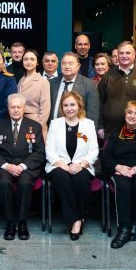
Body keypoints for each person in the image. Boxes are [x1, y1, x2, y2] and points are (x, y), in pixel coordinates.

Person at [101, 101, 136, 248]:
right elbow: (106, 158)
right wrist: (118, 167)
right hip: (122, 169)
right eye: (130, 112)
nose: (132, 116)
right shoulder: (116, 133)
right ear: (125, 113)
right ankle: (124, 229)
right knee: (123, 185)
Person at [0, 94, 45, 240]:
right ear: (8, 108)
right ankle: (9, 222)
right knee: (3, 182)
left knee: (25, 183)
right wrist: (7, 166)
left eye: (18, 107)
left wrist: (22, 166)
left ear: (24, 108)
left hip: (26, 167)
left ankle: (22, 222)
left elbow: (39, 152)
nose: (15, 110)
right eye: (12, 107)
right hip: (4, 166)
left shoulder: (35, 126)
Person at [45, 91, 98, 240]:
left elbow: (94, 150)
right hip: (59, 165)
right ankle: (77, 219)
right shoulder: (55, 124)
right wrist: (62, 165)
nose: (69, 108)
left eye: (72, 105)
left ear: (79, 105)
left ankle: (75, 219)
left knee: (80, 179)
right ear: (62, 107)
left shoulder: (88, 124)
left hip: (82, 164)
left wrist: (81, 164)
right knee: (62, 178)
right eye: (65, 105)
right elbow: (49, 149)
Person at [98, 41, 136, 139]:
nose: (124, 56)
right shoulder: (107, 76)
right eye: (121, 53)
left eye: (128, 53)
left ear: (134, 55)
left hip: (135, 132)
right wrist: (100, 126)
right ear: (117, 56)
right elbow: (99, 102)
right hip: (110, 131)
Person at [49, 52, 100, 129]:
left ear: (78, 66)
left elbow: (93, 115)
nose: (67, 66)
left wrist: (88, 133)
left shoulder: (89, 85)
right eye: (64, 63)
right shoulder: (51, 83)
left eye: (70, 63)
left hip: (79, 131)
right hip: (54, 129)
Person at [17, 49, 50, 138]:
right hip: (20, 122)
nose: (29, 62)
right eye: (26, 59)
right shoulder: (21, 80)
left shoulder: (43, 82)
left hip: (36, 123)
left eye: (32, 59)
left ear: (37, 62)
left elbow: (45, 110)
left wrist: (37, 128)